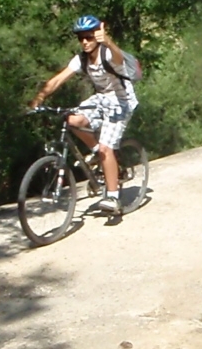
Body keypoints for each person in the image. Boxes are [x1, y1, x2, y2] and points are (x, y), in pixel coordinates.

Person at [29, 15, 138, 215]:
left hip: (121, 101)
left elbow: (118, 59)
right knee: (71, 119)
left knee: (107, 148)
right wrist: (38, 99)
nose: (85, 42)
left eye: (89, 37)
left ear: (97, 35)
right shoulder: (81, 59)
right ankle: (97, 151)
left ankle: (112, 196)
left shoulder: (107, 54)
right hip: (101, 98)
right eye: (81, 38)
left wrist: (109, 41)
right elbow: (57, 80)